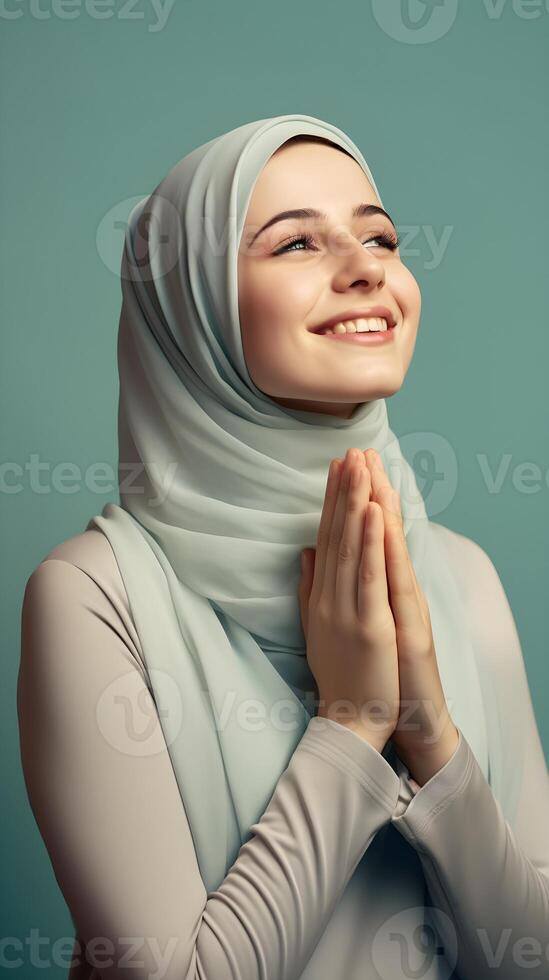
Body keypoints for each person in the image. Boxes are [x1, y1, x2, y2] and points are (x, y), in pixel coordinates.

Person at [17, 114, 549, 980]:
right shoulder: (91, 597)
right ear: (191, 305)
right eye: (296, 244)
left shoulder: (458, 575)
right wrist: (351, 727)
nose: (365, 266)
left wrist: (431, 735)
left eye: (379, 236)